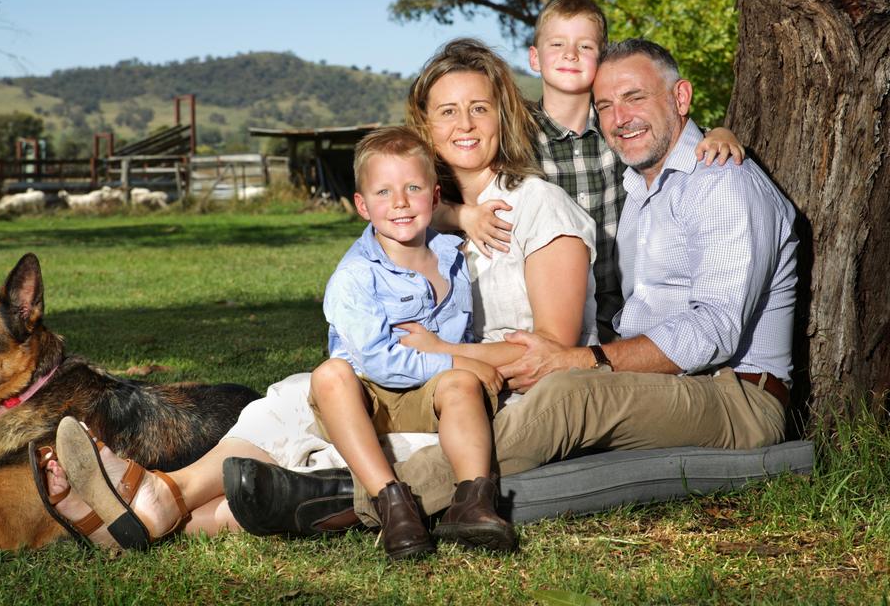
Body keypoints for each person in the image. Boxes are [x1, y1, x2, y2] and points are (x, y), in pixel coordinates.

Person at [40, 38, 598, 549]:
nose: (465, 123)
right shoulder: (428, 216)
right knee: (293, 398)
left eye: (479, 107)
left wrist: (441, 349)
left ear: (503, 113)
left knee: (330, 435)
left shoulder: (537, 206)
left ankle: (151, 504)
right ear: (426, 127)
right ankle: (162, 501)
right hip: (423, 370)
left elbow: (550, 353)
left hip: (490, 388)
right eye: (447, 111)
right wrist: (454, 213)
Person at [332, 38, 798, 525]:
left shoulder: (723, 183)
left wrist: (588, 359)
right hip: (664, 381)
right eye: (606, 106)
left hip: (736, 396)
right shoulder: (636, 183)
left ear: (680, 98)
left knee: (572, 394)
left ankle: (358, 502)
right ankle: (367, 483)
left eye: (635, 97)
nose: (620, 117)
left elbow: (713, 332)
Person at [457, 0, 744, 343]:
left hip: (619, 305)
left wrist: (720, 133)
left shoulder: (621, 128)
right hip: (543, 306)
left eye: (585, 46)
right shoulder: (514, 132)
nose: (570, 54)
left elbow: (676, 133)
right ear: (534, 57)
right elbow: (437, 183)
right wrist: (461, 216)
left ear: (602, 58)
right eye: (557, 44)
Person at [310, 125, 514, 558]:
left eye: (413, 187)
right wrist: (456, 363)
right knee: (330, 375)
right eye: (383, 192)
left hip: (424, 397)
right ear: (362, 205)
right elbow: (380, 363)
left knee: (463, 386)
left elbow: (460, 337)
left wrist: (460, 367)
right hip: (368, 398)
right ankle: (392, 502)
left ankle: (473, 501)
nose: (400, 202)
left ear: (435, 197)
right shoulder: (354, 277)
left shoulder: (452, 256)